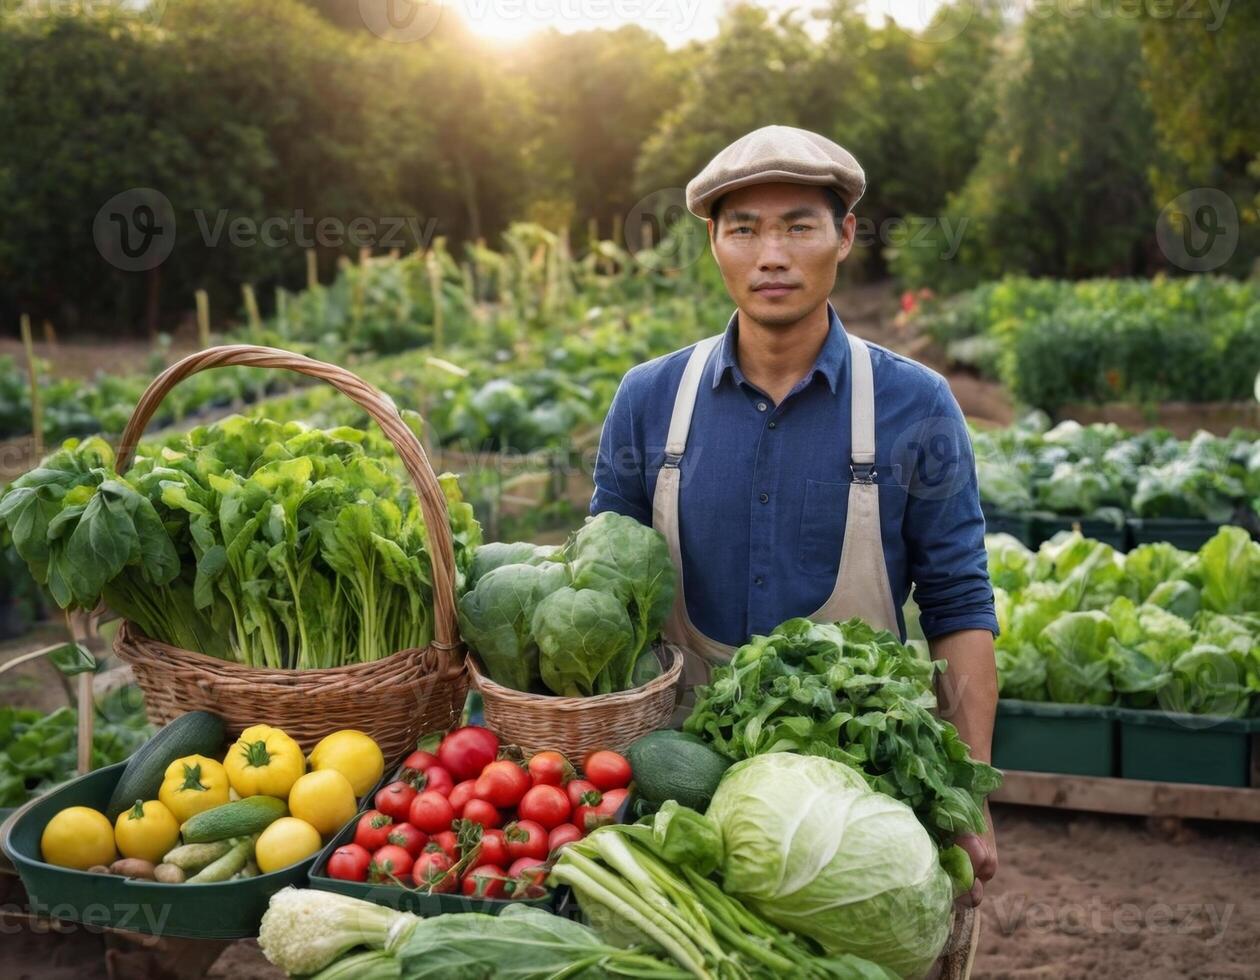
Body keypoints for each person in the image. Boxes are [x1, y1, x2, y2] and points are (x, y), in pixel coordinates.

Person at [590, 125, 999, 905]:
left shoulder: (917, 406)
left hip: (857, 809)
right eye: (743, 229)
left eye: (798, 226)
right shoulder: (649, 402)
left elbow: (959, 603)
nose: (770, 255)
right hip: (678, 798)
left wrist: (969, 791)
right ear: (712, 242)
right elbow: (606, 599)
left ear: (844, 236)